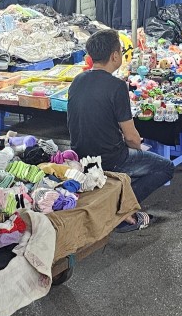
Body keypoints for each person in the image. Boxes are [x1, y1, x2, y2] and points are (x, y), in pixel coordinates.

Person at [67, 29, 174, 229]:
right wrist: (138, 147)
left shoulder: (77, 81)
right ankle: (120, 210)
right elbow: (132, 138)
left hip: (80, 155)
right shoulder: (116, 86)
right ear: (115, 56)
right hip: (111, 159)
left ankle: (114, 201)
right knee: (165, 167)